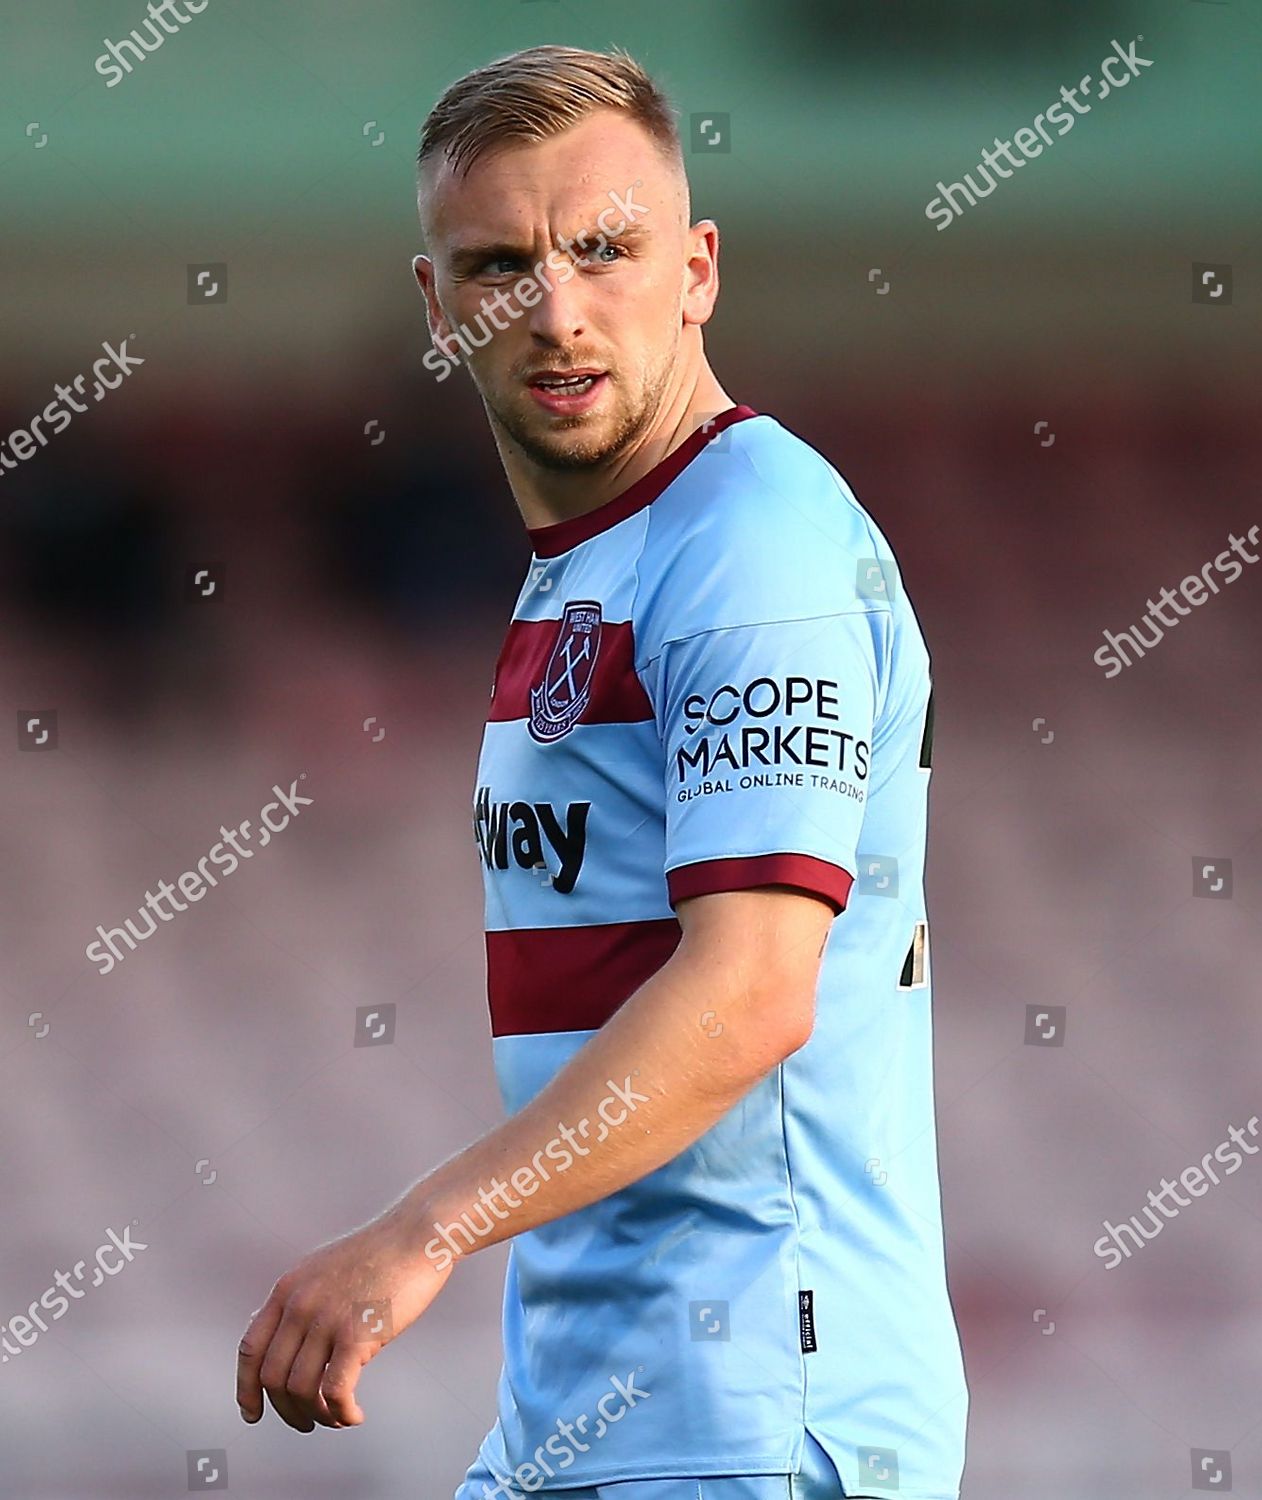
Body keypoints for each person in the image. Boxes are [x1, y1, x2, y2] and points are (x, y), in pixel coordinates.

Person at [236, 44, 968, 1500]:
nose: (556, 311)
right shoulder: (602, 561)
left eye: (603, 250)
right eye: (503, 265)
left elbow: (754, 992)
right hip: (598, 1419)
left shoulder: (752, 542)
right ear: (440, 312)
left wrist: (425, 1230)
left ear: (696, 269)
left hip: (757, 1419)